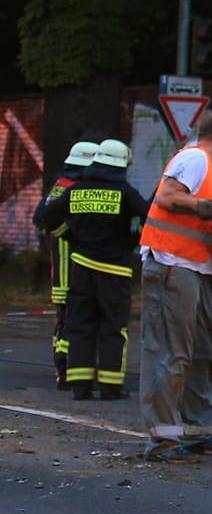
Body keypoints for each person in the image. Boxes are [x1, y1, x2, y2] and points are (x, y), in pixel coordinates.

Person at [138, 112, 212, 463]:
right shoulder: (194, 157)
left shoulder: (208, 169)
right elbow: (168, 196)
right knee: (171, 353)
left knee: (201, 354)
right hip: (172, 265)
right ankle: (164, 440)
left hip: (192, 269)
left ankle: (196, 431)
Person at [33, 140, 145, 400]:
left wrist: (72, 237)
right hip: (115, 271)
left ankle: (80, 385)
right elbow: (150, 218)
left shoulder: (77, 190)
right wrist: (131, 242)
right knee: (112, 327)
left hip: (80, 268)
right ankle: (110, 386)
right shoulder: (125, 193)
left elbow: (44, 219)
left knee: (81, 325)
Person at [36, 140, 97, 388]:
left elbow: (43, 218)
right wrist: (71, 233)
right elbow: (43, 220)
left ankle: (62, 368)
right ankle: (68, 369)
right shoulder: (73, 188)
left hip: (61, 268)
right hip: (72, 267)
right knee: (74, 320)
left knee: (64, 321)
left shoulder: (60, 185)